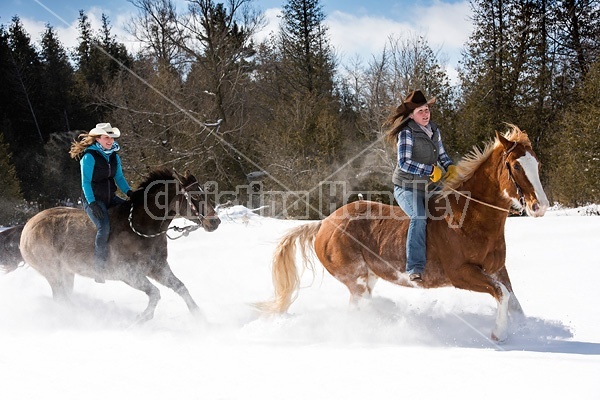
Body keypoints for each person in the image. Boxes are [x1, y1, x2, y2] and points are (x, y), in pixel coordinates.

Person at [384, 90, 457, 282]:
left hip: (428, 187)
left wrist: (450, 167)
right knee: (419, 216)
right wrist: (430, 171)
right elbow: (404, 162)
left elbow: (442, 155)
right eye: (420, 111)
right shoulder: (406, 133)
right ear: (411, 115)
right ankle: (414, 266)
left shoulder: (434, 130)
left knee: (455, 205)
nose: (425, 114)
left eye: (427, 110)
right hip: (406, 187)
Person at [69, 123, 133, 283]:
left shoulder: (113, 155)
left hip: (110, 197)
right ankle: (99, 269)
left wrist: (130, 193)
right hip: (93, 199)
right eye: (106, 137)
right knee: (104, 228)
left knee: (131, 212)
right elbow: (86, 182)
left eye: (111, 137)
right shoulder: (89, 156)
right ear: (98, 139)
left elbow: (119, 178)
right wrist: (92, 203)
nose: (110, 140)